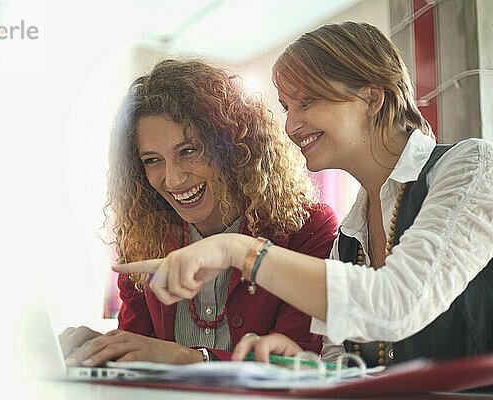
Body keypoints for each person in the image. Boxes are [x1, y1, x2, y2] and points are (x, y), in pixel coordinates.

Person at [114, 22, 493, 368]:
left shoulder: (471, 166)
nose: (291, 125)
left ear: (373, 98)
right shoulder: (350, 233)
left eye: (307, 102)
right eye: (286, 107)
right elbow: (341, 362)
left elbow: (397, 302)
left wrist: (237, 250)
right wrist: (300, 364)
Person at [60, 60, 339, 366]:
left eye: (188, 151)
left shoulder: (307, 227)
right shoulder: (142, 237)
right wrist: (102, 350)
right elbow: (138, 353)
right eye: (152, 160)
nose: (173, 178)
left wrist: (191, 358)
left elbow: (300, 360)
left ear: (232, 145)